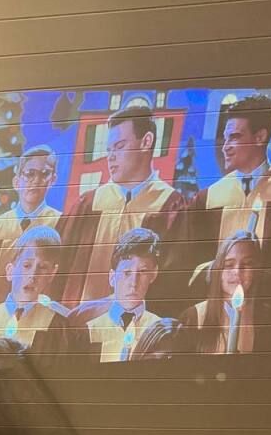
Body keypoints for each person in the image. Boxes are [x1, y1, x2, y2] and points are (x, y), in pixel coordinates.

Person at [59, 107, 186, 306]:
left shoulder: (170, 206)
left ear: (146, 142)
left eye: (119, 146)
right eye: (109, 150)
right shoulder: (89, 204)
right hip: (79, 320)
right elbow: (59, 268)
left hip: (138, 323)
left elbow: (173, 282)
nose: (110, 157)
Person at [188, 94, 271, 251]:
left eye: (234, 137)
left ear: (260, 137)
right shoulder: (207, 198)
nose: (225, 147)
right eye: (225, 138)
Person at [0, 145, 63, 302]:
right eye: (30, 174)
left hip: (40, 312)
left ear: (53, 180)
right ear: (16, 182)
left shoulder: (62, 224)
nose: (36, 181)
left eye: (44, 174)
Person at [0, 226, 70, 355]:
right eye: (27, 265)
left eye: (42, 267)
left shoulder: (58, 329)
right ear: (10, 271)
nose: (33, 275)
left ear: (51, 274)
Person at [69, 227, 162, 363]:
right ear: (112, 277)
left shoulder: (158, 330)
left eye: (142, 272)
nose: (133, 283)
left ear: (153, 275)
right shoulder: (84, 322)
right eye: (127, 272)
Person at [180, 230, 263, 354]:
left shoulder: (264, 317)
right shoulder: (193, 317)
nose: (237, 271)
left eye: (247, 264)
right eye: (229, 265)